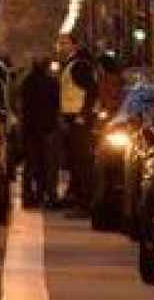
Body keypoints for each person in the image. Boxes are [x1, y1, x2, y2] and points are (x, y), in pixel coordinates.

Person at [55, 34, 99, 213]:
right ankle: (79, 199)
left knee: (81, 162)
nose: (61, 46)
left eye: (65, 43)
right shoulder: (73, 64)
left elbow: (91, 90)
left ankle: (84, 202)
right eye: (60, 43)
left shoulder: (79, 65)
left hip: (78, 120)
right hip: (73, 118)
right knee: (75, 161)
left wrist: (83, 114)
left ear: (75, 45)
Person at [18, 56, 60, 211]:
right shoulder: (52, 83)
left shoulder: (27, 82)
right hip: (47, 128)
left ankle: (28, 196)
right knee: (48, 165)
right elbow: (56, 105)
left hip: (30, 129)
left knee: (31, 164)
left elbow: (23, 106)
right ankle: (48, 195)